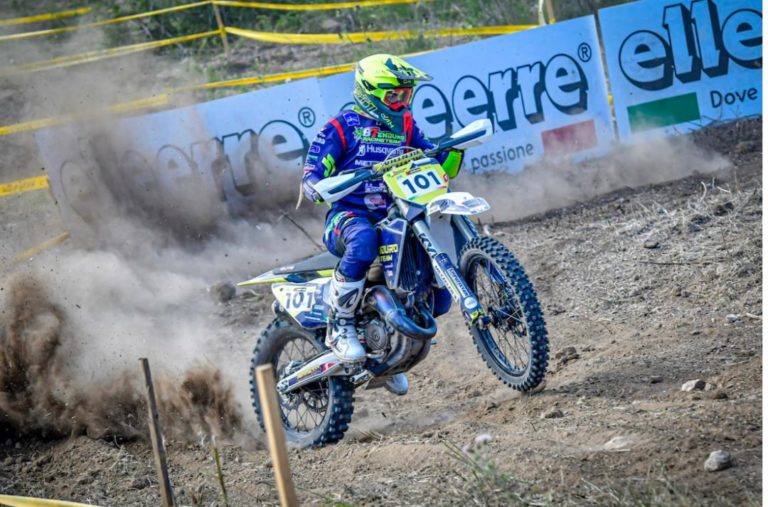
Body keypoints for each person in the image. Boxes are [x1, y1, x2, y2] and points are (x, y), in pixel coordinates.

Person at [302, 54, 464, 394]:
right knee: (363, 240)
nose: (401, 102)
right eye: (394, 95)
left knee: (439, 300)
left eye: (406, 95)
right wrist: (316, 185)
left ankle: (388, 346)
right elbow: (312, 174)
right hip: (348, 217)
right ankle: (340, 325)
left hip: (395, 214)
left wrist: (454, 148)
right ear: (369, 92)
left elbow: (436, 160)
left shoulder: (405, 124)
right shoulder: (341, 127)